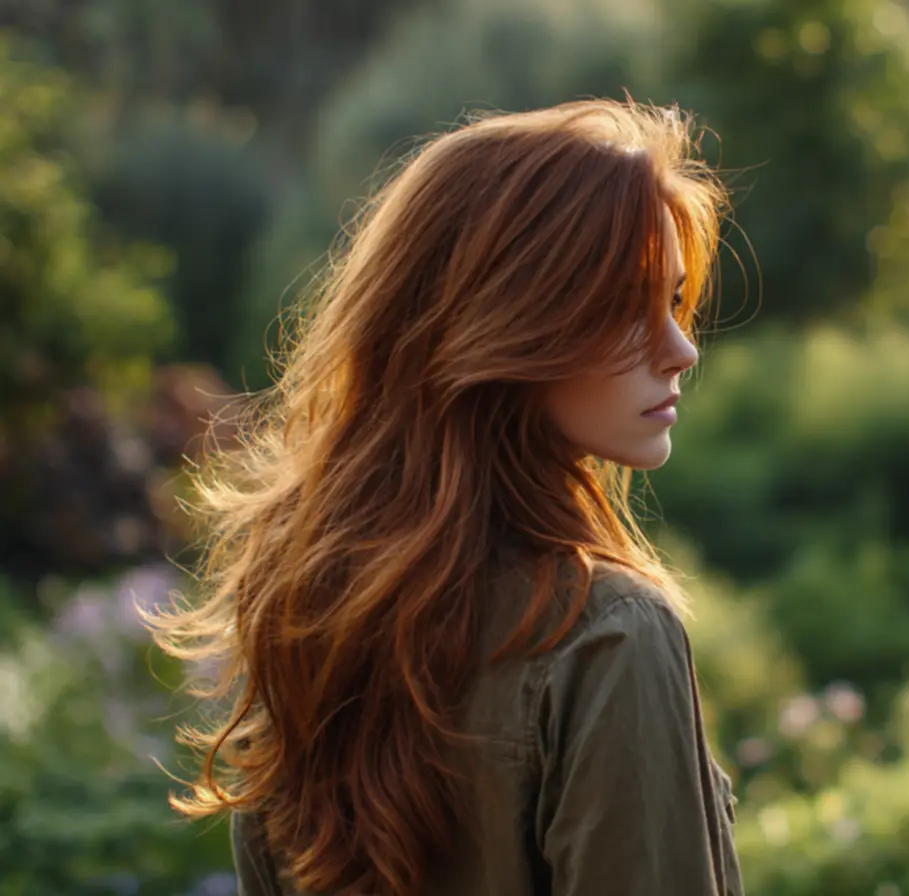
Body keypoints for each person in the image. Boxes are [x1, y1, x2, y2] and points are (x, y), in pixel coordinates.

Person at [145, 98, 741, 895]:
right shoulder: (611, 637)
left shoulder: (307, 615)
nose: (681, 348)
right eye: (626, 308)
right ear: (505, 322)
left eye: (672, 301)